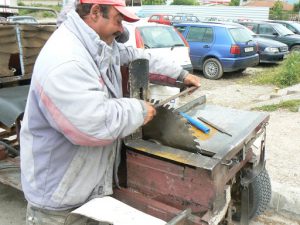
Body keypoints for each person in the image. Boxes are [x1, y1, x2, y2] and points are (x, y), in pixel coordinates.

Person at [20, 0, 201, 224]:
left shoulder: (99, 46)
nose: (122, 28)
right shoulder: (66, 59)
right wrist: (138, 110)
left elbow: (138, 56)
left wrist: (181, 75)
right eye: (118, 20)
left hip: (88, 190)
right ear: (95, 12)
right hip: (59, 202)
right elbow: (94, 124)